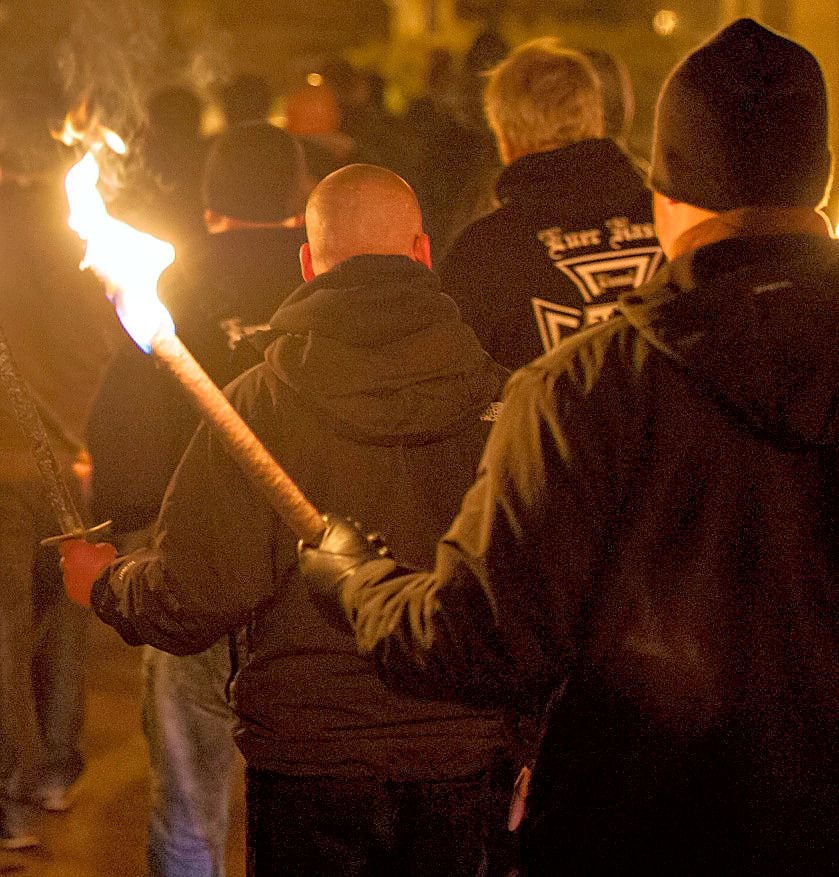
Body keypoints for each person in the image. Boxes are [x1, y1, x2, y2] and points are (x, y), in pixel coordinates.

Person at [292, 19, 838, 875]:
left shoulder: (580, 390)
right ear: (823, 184)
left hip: (633, 826)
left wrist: (358, 583)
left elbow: (480, 640)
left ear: (664, 194)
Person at [64, 164, 509, 876]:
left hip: (313, 765)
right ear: (423, 252)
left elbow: (197, 594)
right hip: (463, 760)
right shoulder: (509, 403)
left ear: (307, 262)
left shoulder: (261, 405)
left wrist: (108, 586)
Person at [86, 121, 309, 877]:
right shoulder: (320, 279)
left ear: (212, 199)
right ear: (296, 194)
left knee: (188, 796)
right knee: (306, 790)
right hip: (305, 580)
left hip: (187, 564)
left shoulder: (172, 282)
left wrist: (125, 533)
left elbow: (123, 425)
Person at [0, 94, 119, 850]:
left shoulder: (24, 229)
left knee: (8, 625)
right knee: (63, 611)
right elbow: (107, 338)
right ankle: (54, 766)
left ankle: (12, 790)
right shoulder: (84, 231)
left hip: (12, 453)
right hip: (73, 451)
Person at [439, 38, 661, 371]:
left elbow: (457, 392)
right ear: (597, 119)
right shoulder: (674, 222)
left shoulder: (481, 256)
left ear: (504, 137)